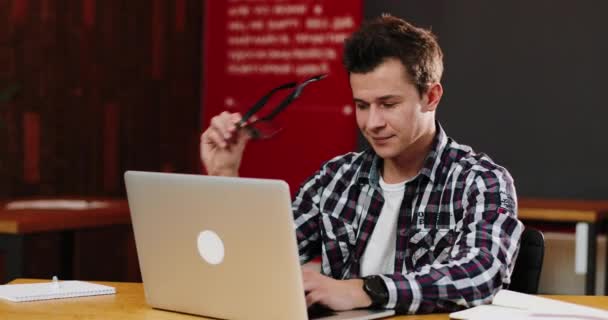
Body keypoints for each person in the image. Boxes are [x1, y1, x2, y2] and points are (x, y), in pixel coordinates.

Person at [200, 14, 523, 315]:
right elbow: (262, 260)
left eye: (388, 104)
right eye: (361, 105)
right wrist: (225, 175)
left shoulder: (479, 181)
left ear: (431, 96)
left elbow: (483, 273)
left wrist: (367, 290)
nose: (372, 123)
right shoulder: (336, 178)